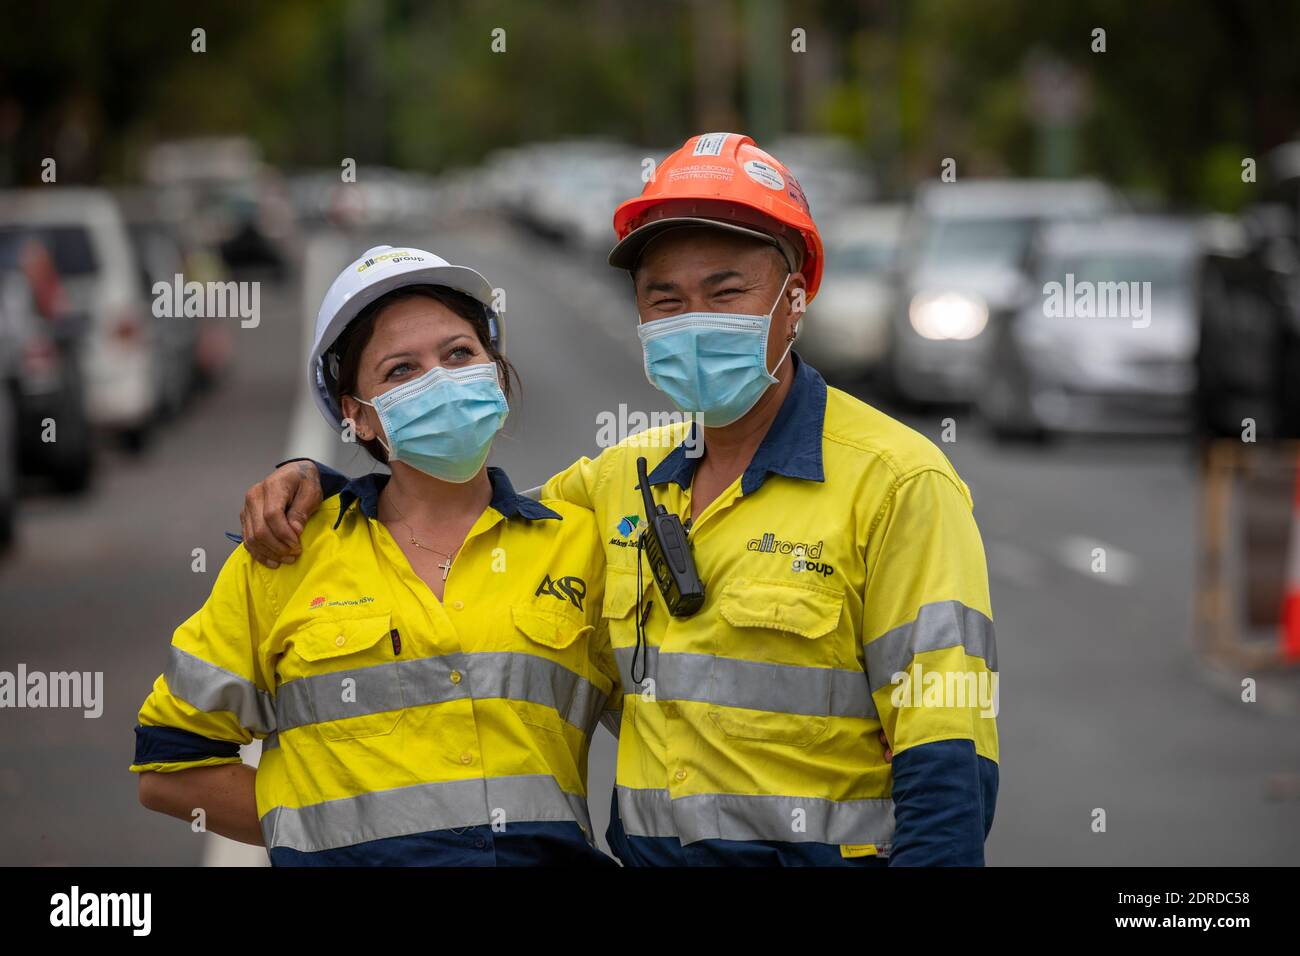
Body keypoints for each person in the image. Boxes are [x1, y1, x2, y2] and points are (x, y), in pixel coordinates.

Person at [241, 133, 999, 866]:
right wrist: (323, 481)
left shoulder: (898, 482)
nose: (694, 318)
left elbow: (949, 764)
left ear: (795, 296)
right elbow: (456, 515)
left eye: (726, 290)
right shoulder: (617, 482)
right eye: (664, 299)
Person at [131, 246, 618, 866]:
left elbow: (671, 733)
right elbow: (169, 770)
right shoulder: (285, 555)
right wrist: (331, 830)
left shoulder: (583, 545)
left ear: (494, 371)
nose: (439, 379)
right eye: (400, 370)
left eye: (459, 354)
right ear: (358, 417)